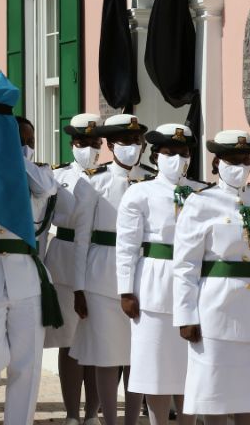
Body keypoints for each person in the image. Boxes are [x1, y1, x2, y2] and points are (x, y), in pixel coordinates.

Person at [173, 130, 250, 425]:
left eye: (245, 159)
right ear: (217, 162)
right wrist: (186, 315)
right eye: (233, 160)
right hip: (214, 307)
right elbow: (185, 265)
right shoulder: (200, 203)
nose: (241, 166)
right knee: (214, 386)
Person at [0, 116, 57, 425]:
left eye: (30, 141)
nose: (26, 146)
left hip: (26, 277)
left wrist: (15, 154)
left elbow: (45, 188)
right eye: (19, 140)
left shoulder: (38, 174)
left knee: (26, 363)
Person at [116, 124, 206, 425]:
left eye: (184, 154)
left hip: (194, 286)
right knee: (155, 367)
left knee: (190, 364)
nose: (178, 160)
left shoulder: (202, 193)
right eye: (170, 153)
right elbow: (127, 246)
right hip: (154, 283)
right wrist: (126, 290)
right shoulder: (139, 193)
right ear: (155, 157)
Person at [70, 113, 148, 425]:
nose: (132, 147)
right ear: (112, 144)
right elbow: (81, 239)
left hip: (141, 275)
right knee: (106, 354)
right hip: (101, 275)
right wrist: (78, 287)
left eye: (136, 141)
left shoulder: (149, 181)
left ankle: (130, 420)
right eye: (125, 141)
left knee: (136, 356)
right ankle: (110, 421)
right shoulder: (94, 181)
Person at [44, 113, 102, 425]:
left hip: (98, 259)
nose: (90, 149)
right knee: (69, 341)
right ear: (72, 144)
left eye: (95, 143)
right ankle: (71, 413)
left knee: (96, 340)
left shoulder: (108, 178)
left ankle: (93, 412)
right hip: (64, 260)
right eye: (83, 142)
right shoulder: (57, 177)